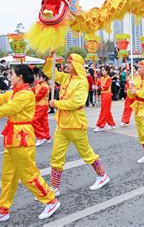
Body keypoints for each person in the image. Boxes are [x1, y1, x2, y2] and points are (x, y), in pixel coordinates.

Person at [0, 65, 60, 223]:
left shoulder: (25, 94)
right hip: (13, 137)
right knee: (8, 177)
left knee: (29, 175)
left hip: (22, 138)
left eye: (11, 74)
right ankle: (3, 209)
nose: (9, 76)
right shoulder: (14, 92)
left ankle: (51, 201)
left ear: (19, 77)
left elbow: (5, 109)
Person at [43, 54, 110, 195]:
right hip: (61, 124)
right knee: (56, 156)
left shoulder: (81, 82)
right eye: (67, 62)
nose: (66, 65)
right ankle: (54, 188)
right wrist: (50, 57)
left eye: (69, 63)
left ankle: (102, 176)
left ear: (77, 66)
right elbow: (49, 72)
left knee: (86, 153)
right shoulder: (65, 77)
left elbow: (76, 102)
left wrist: (56, 104)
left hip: (76, 124)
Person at [94, 66, 117, 132]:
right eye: (102, 70)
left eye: (103, 70)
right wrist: (96, 82)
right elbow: (97, 84)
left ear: (107, 71)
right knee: (106, 110)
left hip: (107, 95)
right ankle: (112, 124)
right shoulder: (101, 78)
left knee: (104, 110)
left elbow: (106, 87)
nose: (102, 71)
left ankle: (100, 125)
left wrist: (98, 87)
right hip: (103, 95)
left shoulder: (108, 78)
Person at [32, 68, 51, 147]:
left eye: (39, 77)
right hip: (41, 106)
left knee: (33, 120)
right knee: (43, 122)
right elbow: (32, 90)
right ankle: (47, 137)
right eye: (37, 76)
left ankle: (40, 136)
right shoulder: (39, 85)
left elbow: (37, 97)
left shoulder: (44, 87)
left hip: (41, 106)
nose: (37, 78)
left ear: (44, 78)